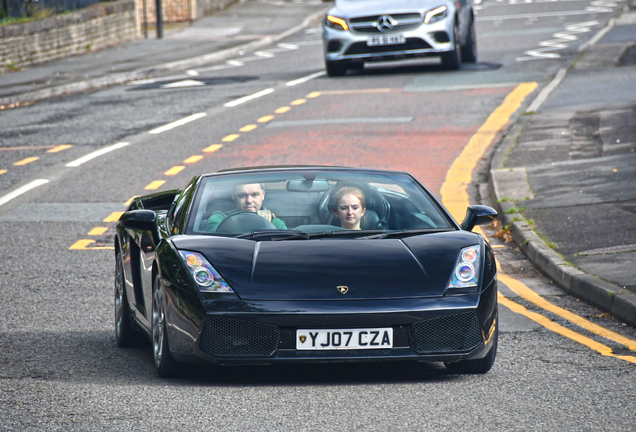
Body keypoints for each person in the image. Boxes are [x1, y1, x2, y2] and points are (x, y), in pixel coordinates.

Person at [206, 183, 287, 232]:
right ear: (233, 196)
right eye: (242, 195)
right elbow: (213, 243)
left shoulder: (274, 222)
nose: (249, 200)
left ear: (263, 195)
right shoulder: (219, 219)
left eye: (255, 195)